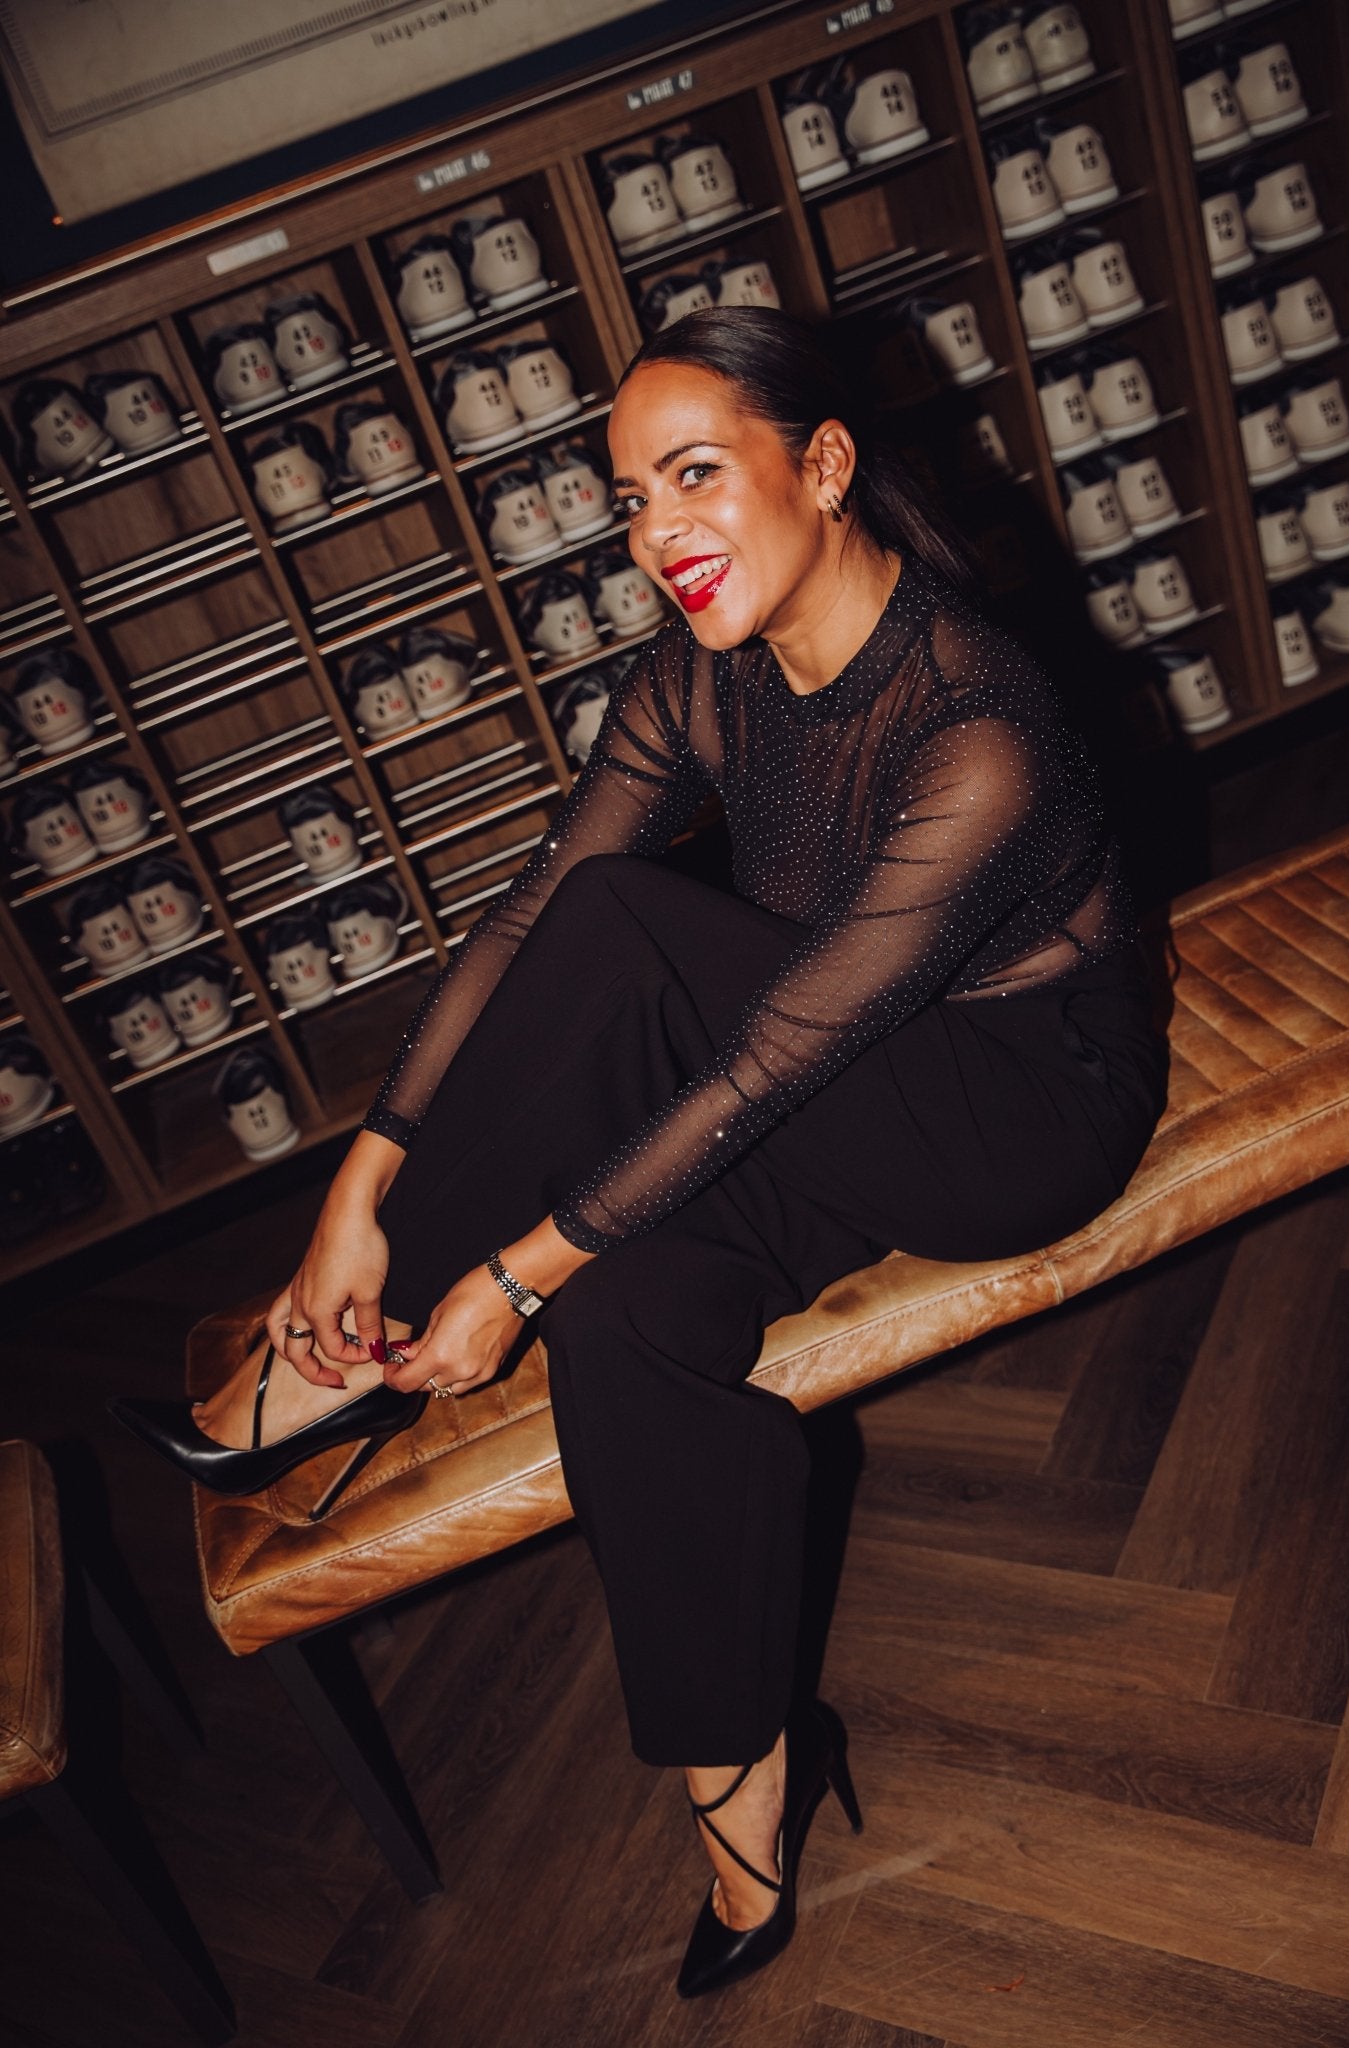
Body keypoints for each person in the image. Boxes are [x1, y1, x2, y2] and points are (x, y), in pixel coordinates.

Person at [112, 307, 1166, 2000]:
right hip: (829, 1072)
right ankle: (743, 1784)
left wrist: (508, 1271)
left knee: (627, 944)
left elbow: (760, 1052)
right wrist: (354, 1198)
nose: (655, 531)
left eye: (692, 475)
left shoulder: (980, 723)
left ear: (824, 466)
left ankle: (340, 1377)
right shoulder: (700, 674)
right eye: (626, 498)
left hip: (1011, 1110)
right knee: (628, 1302)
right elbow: (522, 921)